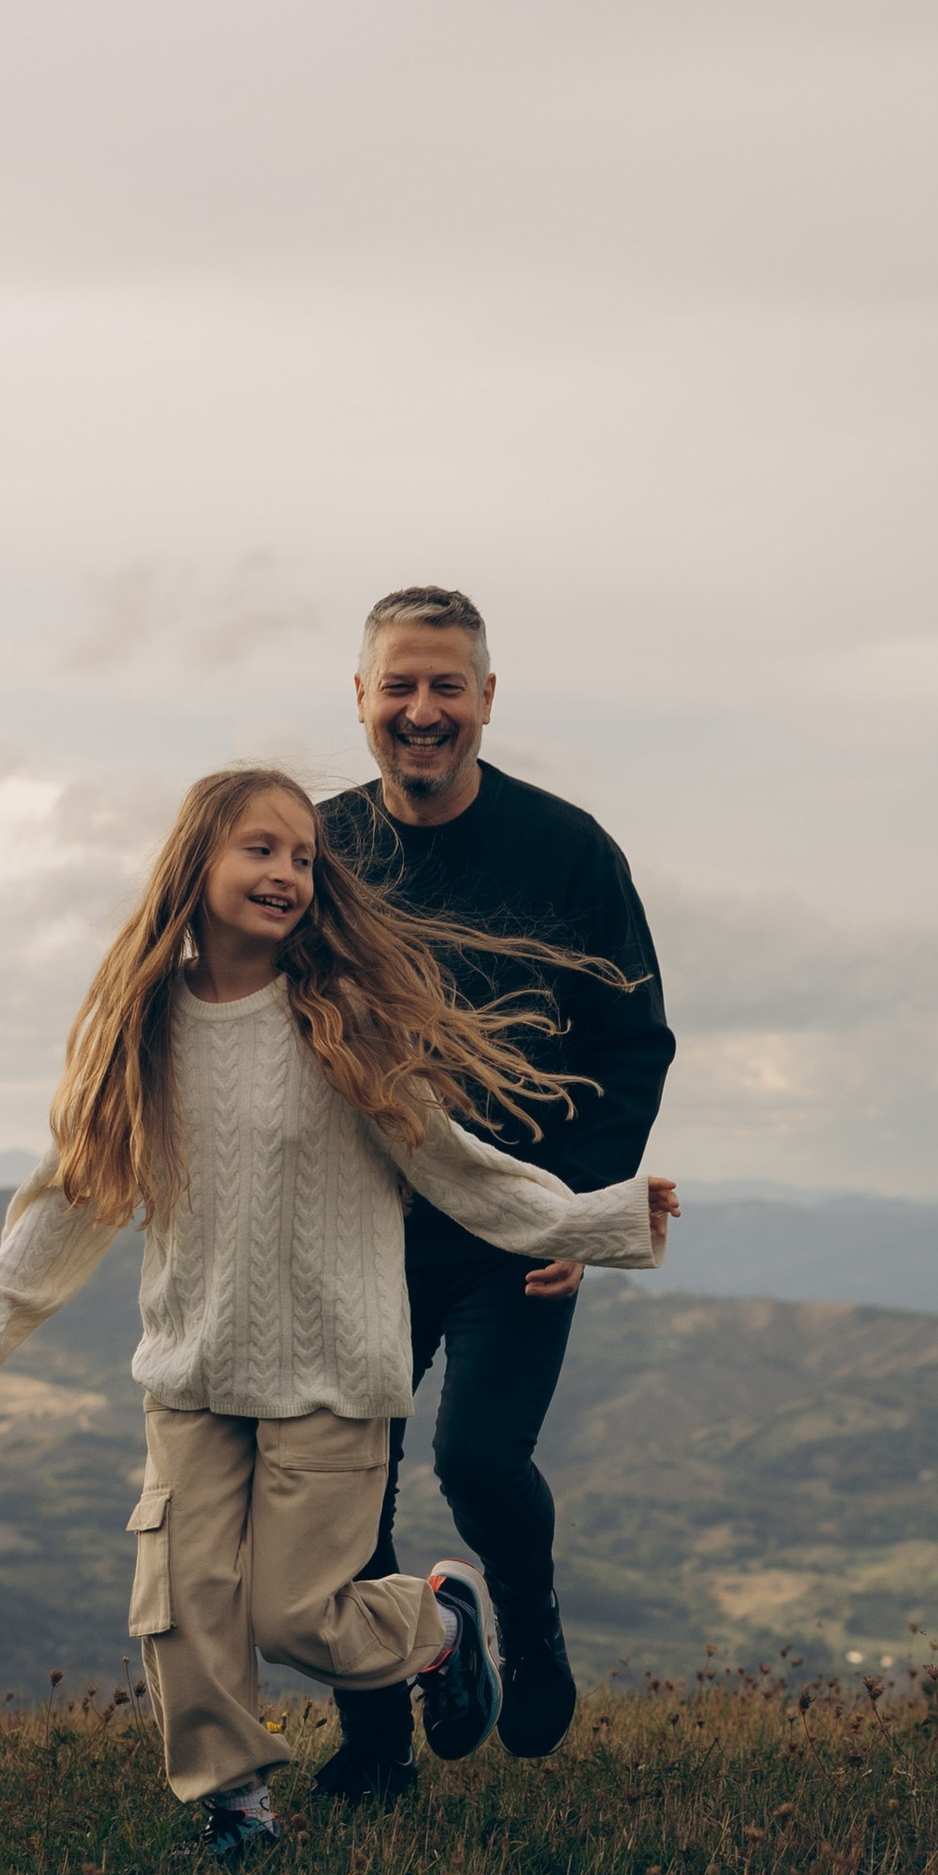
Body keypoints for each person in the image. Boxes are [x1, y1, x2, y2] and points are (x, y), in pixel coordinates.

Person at [0, 769, 677, 1862]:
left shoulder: (344, 1027)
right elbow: (78, 1193)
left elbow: (462, 1173)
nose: (286, 873)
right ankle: (233, 1809)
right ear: (197, 866)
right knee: (180, 1605)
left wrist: (596, 1221)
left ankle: (444, 1624)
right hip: (191, 1367)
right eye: (259, 851)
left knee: (296, 1615)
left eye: (303, 859)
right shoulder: (145, 1030)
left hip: (331, 1371)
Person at [314, 585, 676, 1802]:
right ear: (360, 699)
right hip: (358, 1228)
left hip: (512, 1224)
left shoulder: (568, 849)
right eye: (399, 687)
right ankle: (380, 1737)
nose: (422, 712)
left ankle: (523, 1615)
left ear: (485, 700)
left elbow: (635, 1045)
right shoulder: (313, 850)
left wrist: (574, 1209)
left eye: (446, 687)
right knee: (350, 1488)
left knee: (475, 1459)